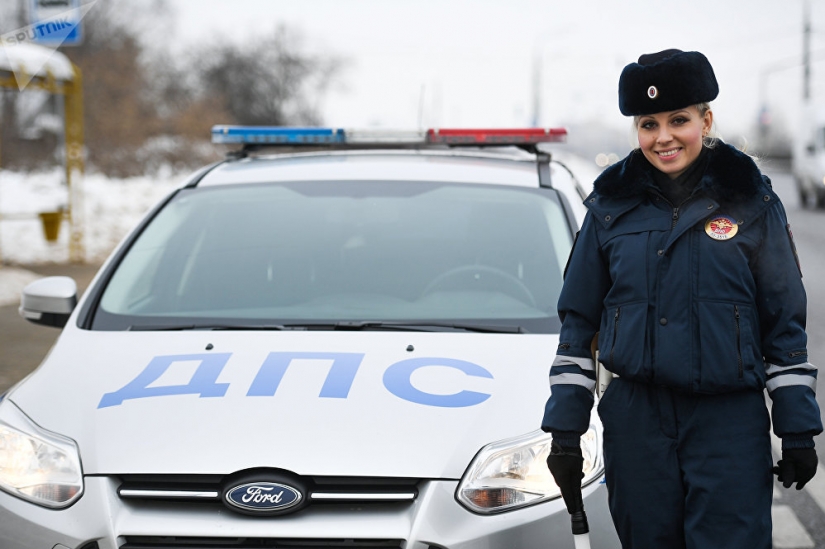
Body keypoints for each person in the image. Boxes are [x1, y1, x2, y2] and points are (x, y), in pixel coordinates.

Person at [541, 49, 823, 548]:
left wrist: (797, 429)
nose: (663, 136)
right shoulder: (609, 209)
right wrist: (566, 429)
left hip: (728, 424)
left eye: (679, 120)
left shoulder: (752, 204)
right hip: (636, 424)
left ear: (706, 119)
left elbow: (784, 327)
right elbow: (578, 326)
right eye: (648, 124)